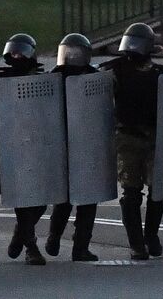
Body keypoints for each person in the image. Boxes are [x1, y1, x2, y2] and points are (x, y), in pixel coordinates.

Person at [113, 23, 163, 260]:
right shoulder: (116, 71)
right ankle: (136, 243)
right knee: (131, 190)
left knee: (157, 189)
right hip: (127, 137)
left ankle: (151, 235)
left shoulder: (161, 74)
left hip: (154, 137)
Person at [46, 33, 100, 262]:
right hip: (64, 145)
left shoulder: (95, 78)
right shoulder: (53, 79)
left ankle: (80, 246)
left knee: (86, 199)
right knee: (65, 198)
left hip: (87, 142)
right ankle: (54, 237)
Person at [0, 33, 47, 265]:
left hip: (39, 144)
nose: (16, 57)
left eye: (20, 53)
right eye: (12, 53)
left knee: (42, 198)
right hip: (12, 145)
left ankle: (21, 233)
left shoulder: (41, 78)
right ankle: (31, 246)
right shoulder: (1, 79)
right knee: (22, 199)